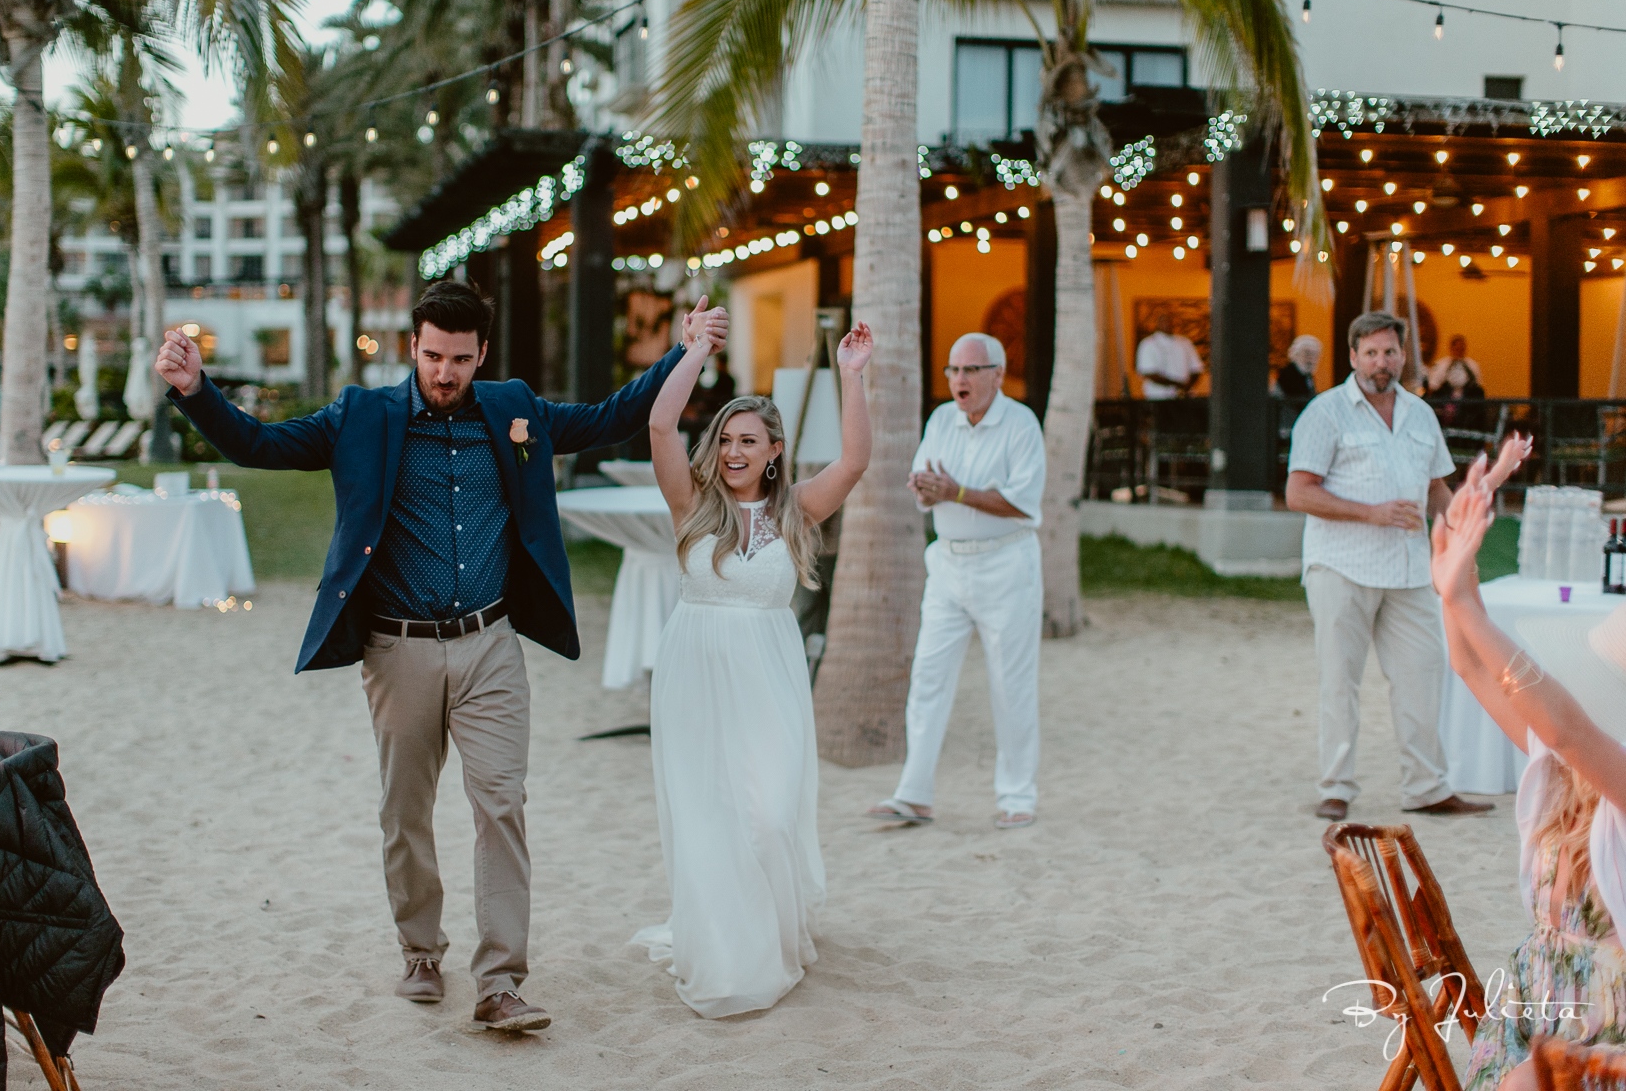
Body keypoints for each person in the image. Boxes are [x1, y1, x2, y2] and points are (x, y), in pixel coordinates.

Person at [157, 280, 728, 1032]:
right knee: (406, 812)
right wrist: (197, 391)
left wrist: (683, 352)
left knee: (501, 805)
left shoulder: (514, 407)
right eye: (432, 356)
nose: (445, 372)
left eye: (460, 358)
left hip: (491, 645)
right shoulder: (363, 416)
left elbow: (610, 417)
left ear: (482, 353)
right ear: (413, 347)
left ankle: (500, 981)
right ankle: (421, 952)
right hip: (398, 651)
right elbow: (259, 444)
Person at [633, 321, 873, 1018]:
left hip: (768, 679)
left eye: (749, 441)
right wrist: (695, 352)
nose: (734, 450)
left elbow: (854, 462)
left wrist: (851, 376)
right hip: (694, 677)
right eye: (726, 439)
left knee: (768, 815)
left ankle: (772, 931)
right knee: (709, 817)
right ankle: (725, 946)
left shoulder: (795, 511)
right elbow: (657, 425)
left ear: (773, 452)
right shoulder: (692, 506)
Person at [1431, 434, 1626, 1089]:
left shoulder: (1604, 766)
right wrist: (1458, 579)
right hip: (1538, 1003)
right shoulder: (1569, 773)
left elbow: (1567, 729)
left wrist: (1462, 602)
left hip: (1602, 1027)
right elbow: (1471, 670)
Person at [1286, 311, 1491, 822]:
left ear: (1404, 356)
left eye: (1391, 352)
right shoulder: (1325, 412)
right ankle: (1335, 786)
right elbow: (1298, 492)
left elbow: (1437, 488)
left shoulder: (1421, 414)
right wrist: (1370, 513)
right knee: (1340, 680)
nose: (1382, 362)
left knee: (1423, 676)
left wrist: (1462, 540)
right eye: (1372, 353)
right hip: (1341, 566)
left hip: (1409, 570)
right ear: (1353, 357)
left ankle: (1427, 788)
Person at [868, 332, 1045, 830]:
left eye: (970, 370)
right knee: (927, 675)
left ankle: (1018, 796)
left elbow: (1022, 503)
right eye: (952, 370)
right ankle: (915, 793)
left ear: (997, 375)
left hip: (1006, 565)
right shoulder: (941, 419)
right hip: (947, 565)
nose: (959, 380)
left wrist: (956, 491)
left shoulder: (1021, 424)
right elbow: (926, 483)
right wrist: (927, 489)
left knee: (1011, 684)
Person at [1135, 310, 1203, 399]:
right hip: (1158, 396)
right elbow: (1148, 372)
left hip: (1184, 396)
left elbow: (1196, 368)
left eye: (1170, 320)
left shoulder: (1185, 342)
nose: (1168, 323)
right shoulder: (1148, 344)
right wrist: (1177, 384)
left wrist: (1187, 386)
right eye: (1164, 321)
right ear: (1157, 323)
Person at [1275, 335, 1322, 400]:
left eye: (1315, 355)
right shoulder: (1288, 375)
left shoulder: (1307, 375)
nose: (1311, 359)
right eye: (1307, 353)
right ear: (1295, 354)